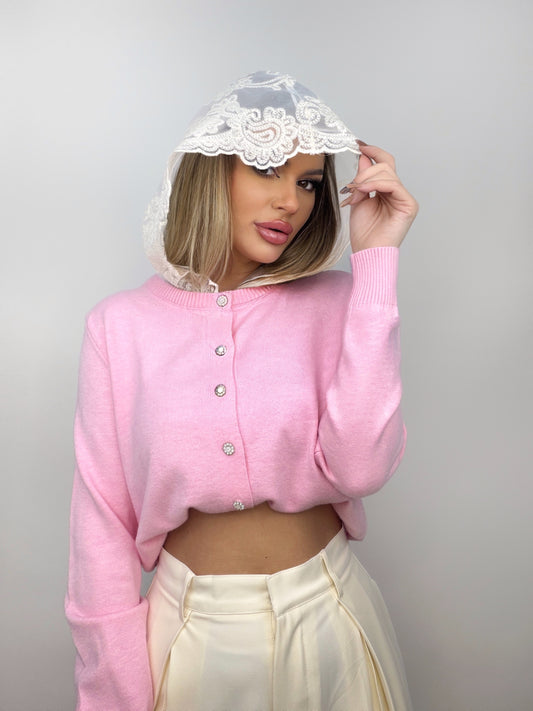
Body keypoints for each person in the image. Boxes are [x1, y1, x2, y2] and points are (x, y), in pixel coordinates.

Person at [66, 70, 418, 711]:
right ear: (212, 171)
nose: (292, 201)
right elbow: (101, 530)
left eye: (308, 182)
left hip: (332, 616)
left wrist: (375, 264)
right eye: (267, 169)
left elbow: (361, 469)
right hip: (189, 636)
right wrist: (114, 695)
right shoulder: (118, 328)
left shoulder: (338, 302)